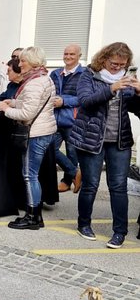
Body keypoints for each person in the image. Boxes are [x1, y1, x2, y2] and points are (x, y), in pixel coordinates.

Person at [69, 42, 140, 248]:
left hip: (120, 140)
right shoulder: (89, 75)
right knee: (90, 185)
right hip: (91, 138)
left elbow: (137, 111)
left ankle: (120, 232)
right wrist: (111, 89)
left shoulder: (128, 78)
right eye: (114, 63)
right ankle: (84, 224)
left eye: (122, 64)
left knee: (118, 187)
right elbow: (84, 101)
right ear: (104, 58)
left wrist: (138, 93)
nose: (118, 67)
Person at [0, 47, 56, 230]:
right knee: (32, 175)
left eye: (23, 61)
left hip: (35, 133)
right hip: (43, 130)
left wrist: (5, 109)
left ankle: (32, 217)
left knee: (29, 175)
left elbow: (27, 112)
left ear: (32, 62)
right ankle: (35, 215)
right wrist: (13, 102)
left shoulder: (34, 83)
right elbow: (33, 103)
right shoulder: (43, 78)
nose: (20, 64)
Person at [50, 44, 85, 194]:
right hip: (54, 119)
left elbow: (84, 98)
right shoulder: (55, 73)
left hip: (73, 120)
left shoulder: (85, 74)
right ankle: (74, 173)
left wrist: (64, 101)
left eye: (72, 54)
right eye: (66, 54)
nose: (68, 57)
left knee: (72, 153)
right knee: (50, 149)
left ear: (79, 56)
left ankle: (66, 181)